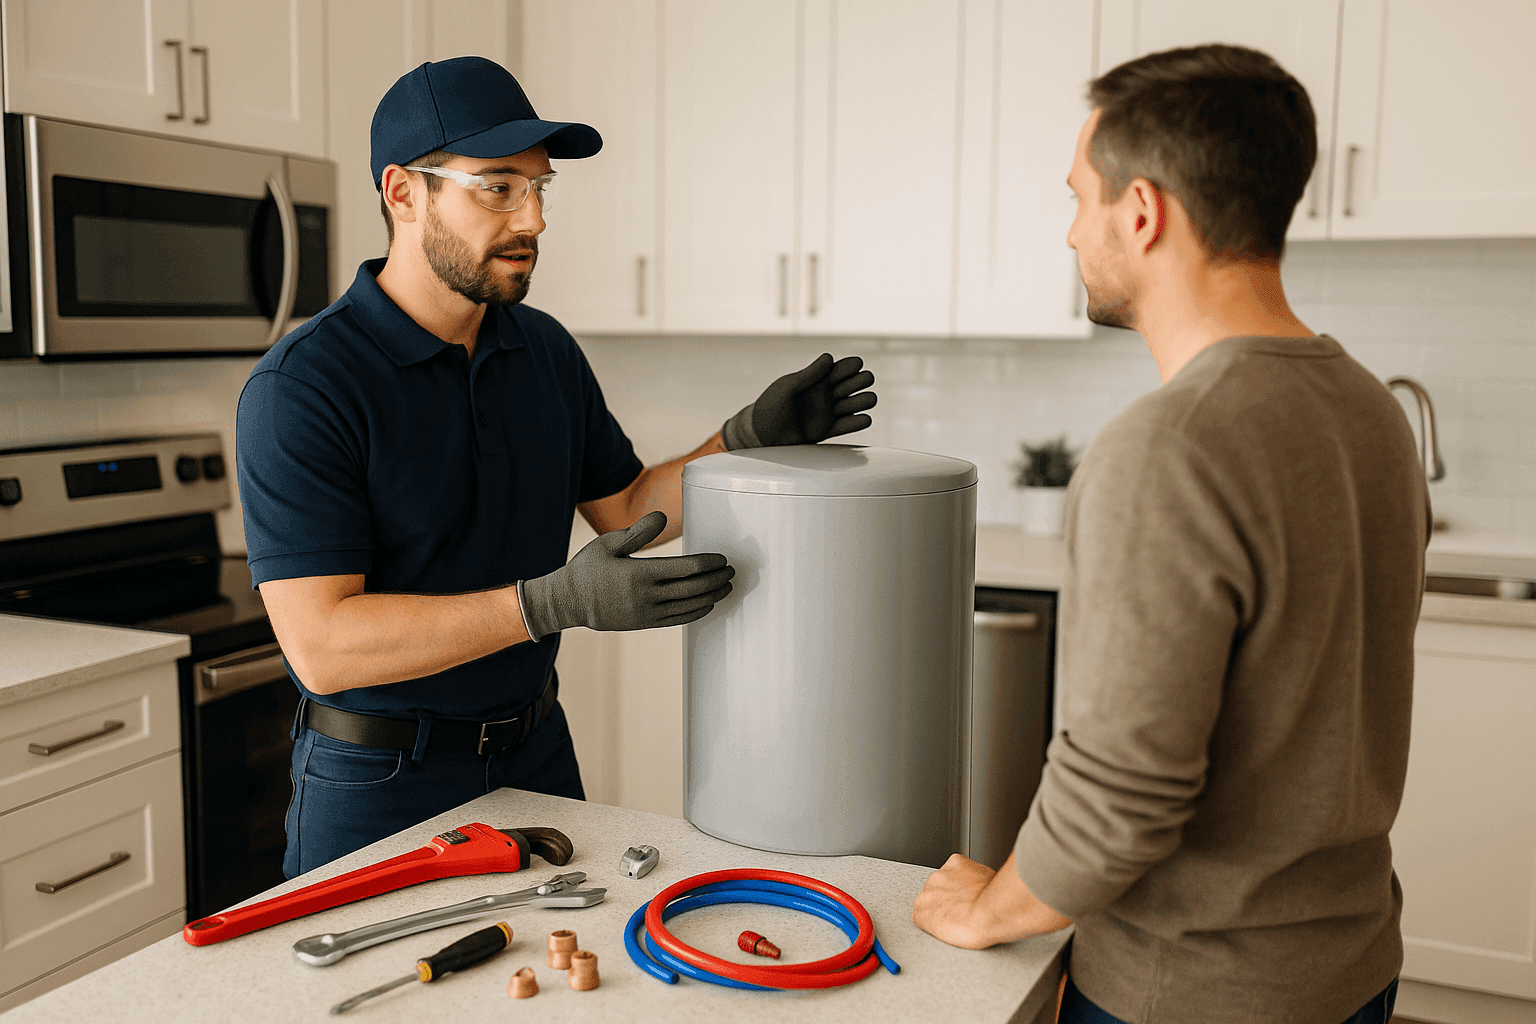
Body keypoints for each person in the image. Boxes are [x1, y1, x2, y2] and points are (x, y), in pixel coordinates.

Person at [236, 56, 877, 877]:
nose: (532, 218)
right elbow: (323, 646)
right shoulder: (305, 387)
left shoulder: (542, 349)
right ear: (403, 193)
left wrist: (745, 437)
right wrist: (549, 604)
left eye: (539, 187)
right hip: (379, 784)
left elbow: (628, 507)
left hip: (534, 758)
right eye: (498, 187)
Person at [911, 44, 1429, 1024]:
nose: (1072, 231)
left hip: (1192, 989)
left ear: (1142, 212)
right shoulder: (1371, 408)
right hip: (1352, 968)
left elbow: (1120, 791)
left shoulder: (1171, 445)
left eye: (1081, 198)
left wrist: (991, 908)